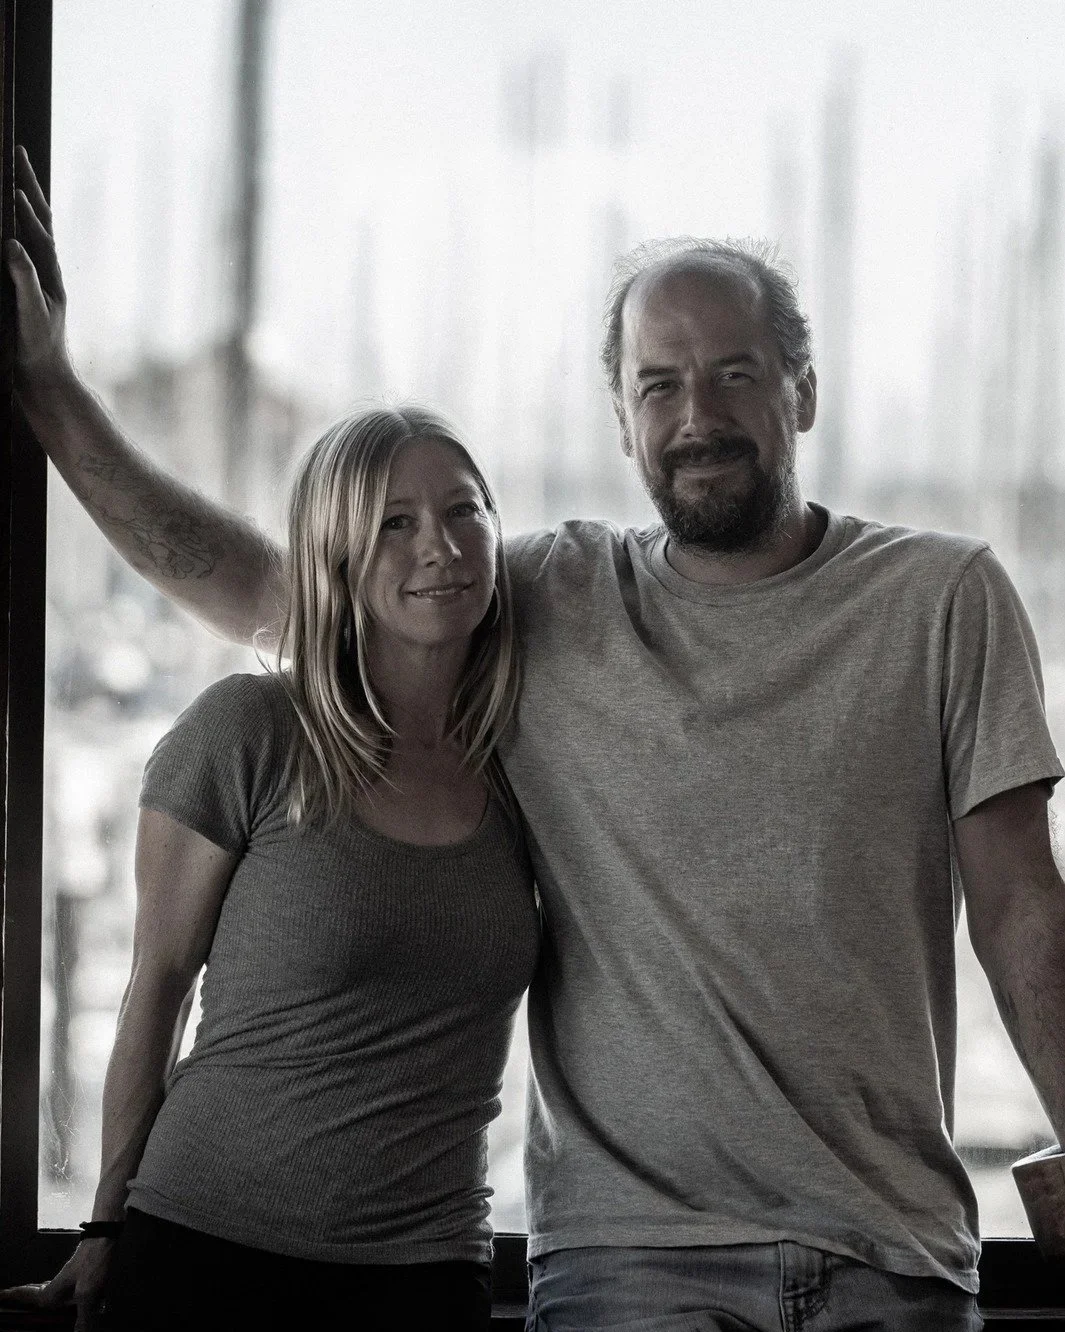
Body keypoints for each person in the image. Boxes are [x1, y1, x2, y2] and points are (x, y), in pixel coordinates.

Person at [7, 146, 1065, 1330]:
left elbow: (1023, 905)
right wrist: (51, 391)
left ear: (802, 392)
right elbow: (282, 587)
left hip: (892, 1246)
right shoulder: (549, 601)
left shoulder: (945, 597)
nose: (698, 416)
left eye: (735, 374)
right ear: (621, 420)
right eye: (659, 384)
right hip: (632, 1258)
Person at [0, 388, 539, 1328]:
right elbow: (156, 985)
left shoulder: (525, 760)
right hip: (206, 1255)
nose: (439, 547)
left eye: (465, 511)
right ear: (333, 556)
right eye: (394, 524)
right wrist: (105, 1226)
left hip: (428, 1274)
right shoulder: (249, 731)